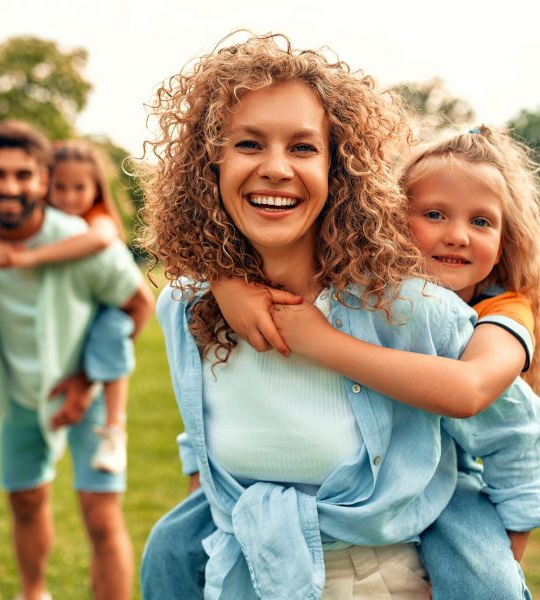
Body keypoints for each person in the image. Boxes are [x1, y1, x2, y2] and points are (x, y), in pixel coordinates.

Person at [138, 33, 540, 599]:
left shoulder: (414, 311)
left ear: (340, 170)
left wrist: (502, 558)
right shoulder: (186, 306)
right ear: (210, 163)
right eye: (249, 144)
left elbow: (512, 432)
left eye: (303, 148)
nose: (276, 168)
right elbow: (198, 441)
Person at [208, 124, 540, 598]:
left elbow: (470, 392)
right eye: (434, 214)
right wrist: (225, 281)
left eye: (482, 222)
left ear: (506, 240)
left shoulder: (502, 309)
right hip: (374, 473)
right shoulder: (373, 290)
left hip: (457, 474)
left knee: (486, 576)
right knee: (171, 547)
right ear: (387, 217)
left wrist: (322, 343)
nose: (458, 236)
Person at [0, 119, 155, 600]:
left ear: (44, 180)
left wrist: (86, 380)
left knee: (101, 516)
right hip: (19, 392)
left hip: (89, 392)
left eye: (24, 175)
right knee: (24, 499)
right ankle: (34, 593)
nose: (10, 186)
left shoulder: (83, 243)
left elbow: (139, 303)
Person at [0, 139, 135, 473]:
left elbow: (99, 240)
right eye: (60, 187)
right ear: (46, 186)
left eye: (79, 188)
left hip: (102, 309)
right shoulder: (45, 218)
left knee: (112, 340)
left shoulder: (98, 220)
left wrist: (32, 258)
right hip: (62, 328)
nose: (69, 197)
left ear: (96, 189)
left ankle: (115, 429)